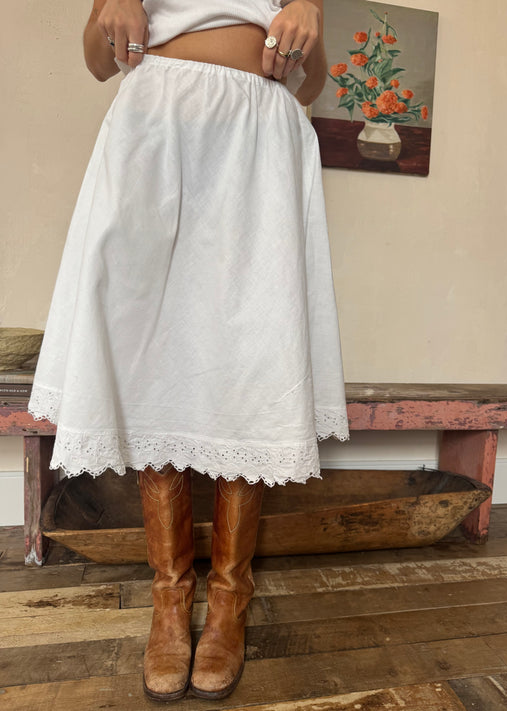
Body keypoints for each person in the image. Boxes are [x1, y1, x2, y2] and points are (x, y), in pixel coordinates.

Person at [29, 0, 349, 702]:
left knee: (252, 355)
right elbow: (97, 61)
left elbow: (312, 83)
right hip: (154, 120)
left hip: (257, 132)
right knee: (150, 356)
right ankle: (170, 599)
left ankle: (230, 598)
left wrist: (309, 14)